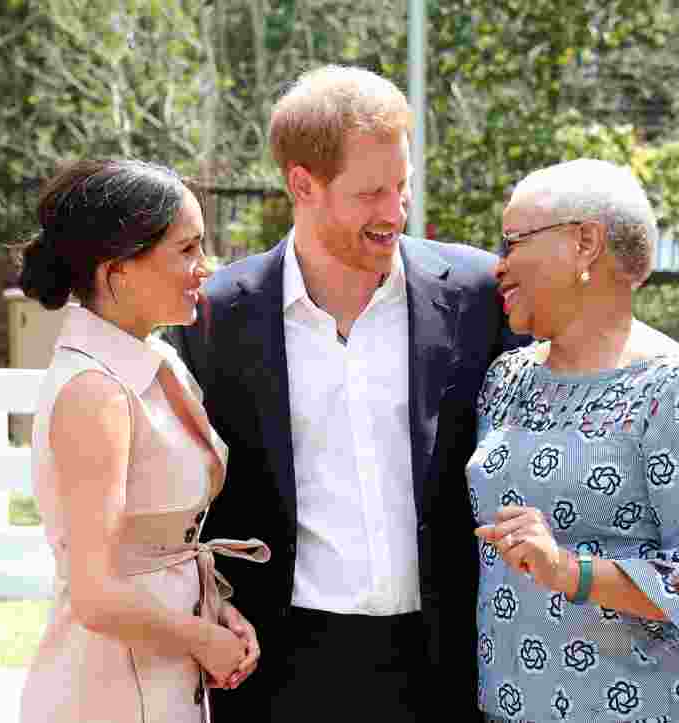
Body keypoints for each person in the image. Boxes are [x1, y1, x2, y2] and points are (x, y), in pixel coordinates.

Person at [170, 65, 513, 722]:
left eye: (403, 186)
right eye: (371, 194)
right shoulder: (216, 319)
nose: (395, 212)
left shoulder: (475, 297)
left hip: (444, 662)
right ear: (303, 184)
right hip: (280, 668)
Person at [470, 159, 679, 722]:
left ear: (584, 243)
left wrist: (570, 571)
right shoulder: (506, 379)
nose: (498, 267)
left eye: (513, 241)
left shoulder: (677, 390)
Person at [17, 159, 269, 723]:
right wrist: (199, 638)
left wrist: (216, 612)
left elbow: (160, 545)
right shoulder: (94, 391)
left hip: (162, 671)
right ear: (118, 271)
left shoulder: (159, 362)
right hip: (108, 685)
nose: (205, 268)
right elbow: (94, 592)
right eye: (186, 250)